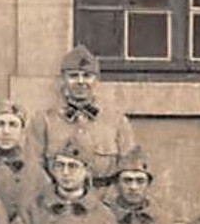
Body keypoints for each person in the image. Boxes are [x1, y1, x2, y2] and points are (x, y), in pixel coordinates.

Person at [28, 44, 136, 189]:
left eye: (87, 76)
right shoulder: (44, 120)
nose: (81, 81)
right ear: (63, 79)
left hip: (104, 202)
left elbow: (128, 169)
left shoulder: (117, 121)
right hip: (59, 203)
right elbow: (34, 168)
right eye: (73, 76)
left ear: (96, 80)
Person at [0, 96, 47, 224]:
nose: (6, 131)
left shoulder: (36, 174)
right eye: (0, 124)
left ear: (22, 132)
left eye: (13, 125)